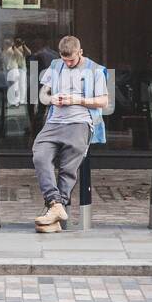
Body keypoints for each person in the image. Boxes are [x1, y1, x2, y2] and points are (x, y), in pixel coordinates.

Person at [32, 36, 109, 232]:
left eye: (71, 60)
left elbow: (103, 102)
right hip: (54, 122)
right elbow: (42, 95)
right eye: (64, 60)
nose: (68, 63)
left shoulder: (95, 70)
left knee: (68, 168)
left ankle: (53, 216)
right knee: (40, 155)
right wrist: (51, 99)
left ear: (80, 52)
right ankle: (56, 205)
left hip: (80, 123)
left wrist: (76, 100)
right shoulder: (56, 66)